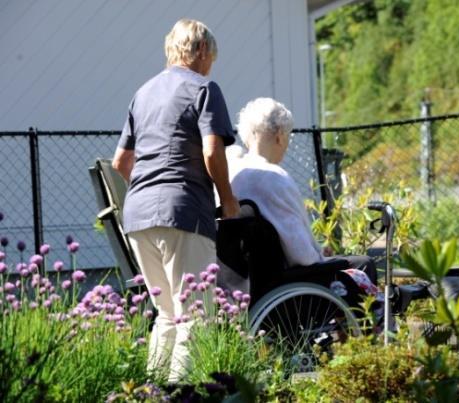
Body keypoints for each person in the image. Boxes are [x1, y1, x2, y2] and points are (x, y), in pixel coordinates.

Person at [112, 18, 239, 383]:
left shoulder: (144, 92)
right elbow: (213, 151)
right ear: (200, 50)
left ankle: (152, 391)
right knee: (195, 317)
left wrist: (151, 189)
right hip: (183, 211)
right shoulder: (205, 88)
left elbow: (122, 162)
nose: (211, 64)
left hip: (138, 215)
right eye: (211, 57)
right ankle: (182, 394)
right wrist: (227, 199)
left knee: (167, 314)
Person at [229, 97, 377, 284]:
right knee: (364, 264)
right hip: (289, 280)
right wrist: (318, 254)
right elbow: (303, 256)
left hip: (248, 279)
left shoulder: (232, 173)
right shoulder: (274, 177)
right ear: (280, 136)